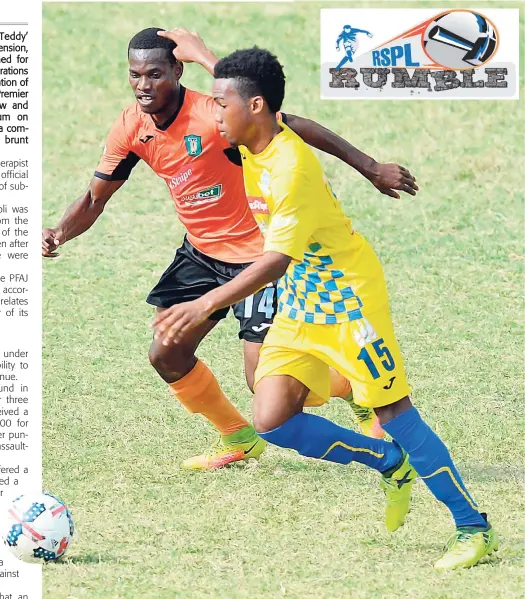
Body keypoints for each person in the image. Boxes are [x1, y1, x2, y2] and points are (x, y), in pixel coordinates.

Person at [152, 34, 499, 570]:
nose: (212, 112)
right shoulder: (256, 132)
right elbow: (277, 106)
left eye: (221, 104)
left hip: (349, 304)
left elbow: (273, 262)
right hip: (302, 302)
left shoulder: (291, 171)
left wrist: (204, 305)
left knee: (396, 412)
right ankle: (388, 462)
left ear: (255, 109)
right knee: (272, 419)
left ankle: (473, 528)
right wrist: (200, 54)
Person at [42, 27, 416, 470]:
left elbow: (289, 123)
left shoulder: (214, 114)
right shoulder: (131, 126)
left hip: (259, 258)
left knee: (264, 383)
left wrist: (371, 168)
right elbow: (93, 198)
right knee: (166, 352)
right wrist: (59, 232)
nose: (144, 86)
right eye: (135, 75)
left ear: (178, 71)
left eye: (156, 74)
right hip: (200, 254)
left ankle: (361, 395)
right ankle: (238, 437)